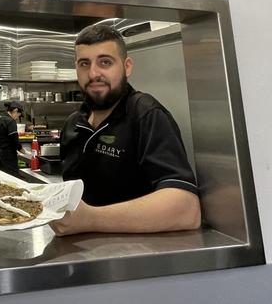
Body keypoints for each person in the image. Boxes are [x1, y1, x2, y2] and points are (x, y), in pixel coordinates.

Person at [50, 24, 201, 236]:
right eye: (84, 63)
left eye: (105, 62)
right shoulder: (73, 124)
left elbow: (186, 208)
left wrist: (91, 219)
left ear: (127, 66)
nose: (93, 73)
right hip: (80, 256)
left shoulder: (146, 115)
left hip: (136, 258)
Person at [0, 101, 24, 176]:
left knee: (0, 177)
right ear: (15, 110)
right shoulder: (10, 121)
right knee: (12, 177)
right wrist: (21, 150)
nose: (17, 117)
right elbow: (14, 139)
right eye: (19, 115)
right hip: (9, 155)